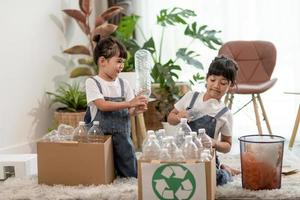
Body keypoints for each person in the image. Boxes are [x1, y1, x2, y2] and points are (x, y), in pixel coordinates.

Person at [167, 55, 240, 185]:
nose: (216, 86)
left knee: (212, 179)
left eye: (223, 83)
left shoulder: (225, 113)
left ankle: (226, 171)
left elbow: (227, 146)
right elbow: (170, 119)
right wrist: (178, 117)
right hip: (182, 153)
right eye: (213, 80)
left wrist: (214, 142)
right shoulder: (191, 97)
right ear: (206, 79)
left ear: (231, 85)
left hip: (205, 157)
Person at [84, 35, 148, 178]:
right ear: (102, 61)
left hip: (123, 136)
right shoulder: (93, 82)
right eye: (119, 61)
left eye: (123, 62)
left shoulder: (123, 84)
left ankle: (128, 182)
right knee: (100, 171)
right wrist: (129, 103)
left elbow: (130, 110)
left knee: (129, 167)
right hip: (99, 137)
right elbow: (102, 105)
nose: (122, 66)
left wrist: (137, 109)